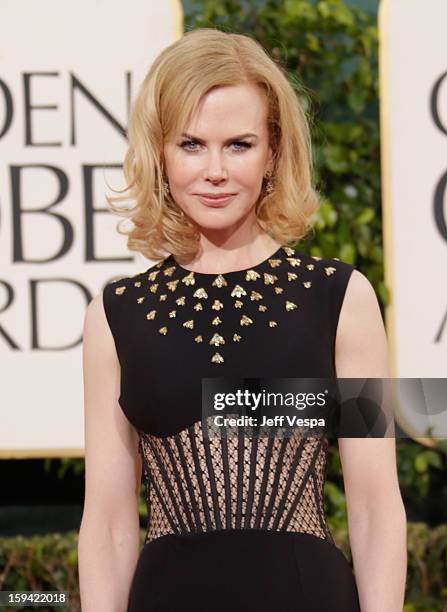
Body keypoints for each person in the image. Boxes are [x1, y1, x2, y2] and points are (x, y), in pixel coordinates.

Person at [78, 27, 407, 612]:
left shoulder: (341, 299)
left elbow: (376, 504)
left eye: (239, 144)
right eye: (191, 144)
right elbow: (106, 523)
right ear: (159, 151)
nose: (215, 170)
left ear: (273, 152)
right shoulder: (115, 316)